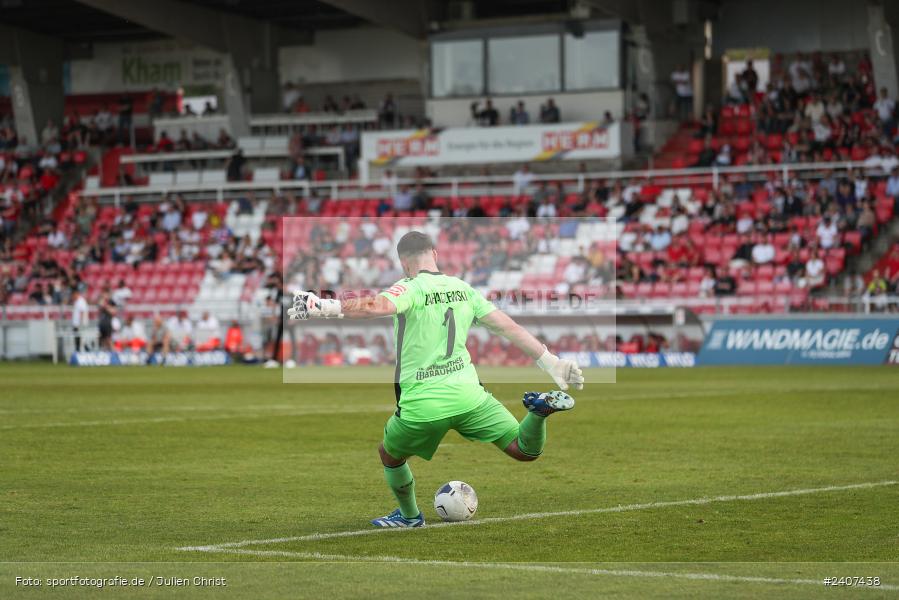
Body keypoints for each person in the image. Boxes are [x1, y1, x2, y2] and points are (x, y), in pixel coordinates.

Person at [287, 231, 584, 528]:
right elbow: (507, 327)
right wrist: (551, 362)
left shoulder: (409, 288)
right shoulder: (462, 288)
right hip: (470, 396)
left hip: (424, 404)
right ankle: (537, 414)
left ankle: (409, 516)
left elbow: (376, 306)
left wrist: (325, 307)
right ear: (435, 254)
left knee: (389, 454)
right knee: (523, 449)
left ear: (404, 262)